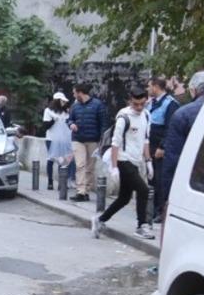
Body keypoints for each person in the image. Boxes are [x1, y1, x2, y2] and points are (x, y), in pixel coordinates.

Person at [92, 87, 155, 240]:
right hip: (122, 160)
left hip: (136, 160)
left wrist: (148, 161)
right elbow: (115, 143)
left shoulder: (146, 115)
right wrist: (114, 168)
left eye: (142, 104)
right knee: (143, 190)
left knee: (124, 198)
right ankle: (142, 226)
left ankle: (99, 220)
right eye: (135, 104)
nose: (139, 108)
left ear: (146, 101)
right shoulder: (123, 117)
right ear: (130, 101)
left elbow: (145, 140)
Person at [158, 70, 204, 215]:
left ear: (193, 90)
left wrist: (166, 198)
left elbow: (173, 160)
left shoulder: (183, 114)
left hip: (191, 190)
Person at [68, 83, 109, 202]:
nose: (74, 95)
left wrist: (102, 141)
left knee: (90, 167)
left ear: (80, 93)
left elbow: (103, 123)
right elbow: (70, 119)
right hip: (77, 139)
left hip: (93, 140)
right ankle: (80, 191)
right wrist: (71, 124)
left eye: (75, 93)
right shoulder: (74, 106)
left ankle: (86, 191)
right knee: (80, 165)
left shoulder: (98, 105)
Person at [147, 77, 180, 222]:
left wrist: (162, 146)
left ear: (155, 87)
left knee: (161, 180)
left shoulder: (170, 104)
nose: (147, 90)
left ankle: (161, 210)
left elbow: (170, 128)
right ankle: (153, 210)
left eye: (149, 87)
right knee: (152, 178)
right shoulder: (151, 103)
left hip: (160, 147)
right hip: (150, 145)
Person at [42, 92, 76, 190]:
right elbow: (46, 126)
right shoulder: (48, 111)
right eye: (62, 101)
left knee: (62, 160)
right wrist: (54, 120)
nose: (64, 103)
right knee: (51, 159)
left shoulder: (65, 112)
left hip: (63, 140)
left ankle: (61, 183)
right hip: (51, 138)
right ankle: (50, 181)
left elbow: (68, 124)